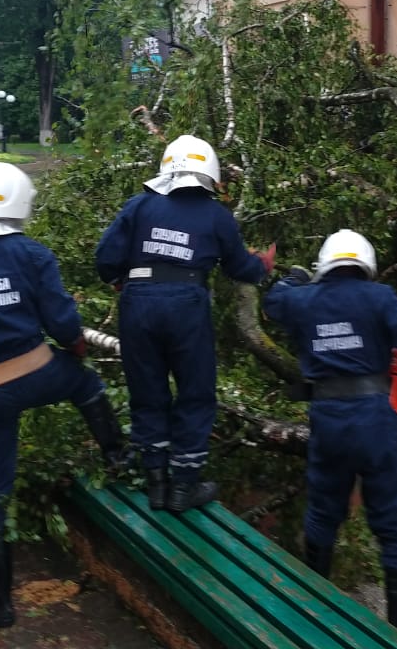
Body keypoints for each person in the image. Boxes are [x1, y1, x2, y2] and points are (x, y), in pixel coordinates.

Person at [0, 161, 126, 629]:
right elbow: (63, 325)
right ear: (19, 206)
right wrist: (70, 346)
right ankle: (118, 457)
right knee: (85, 382)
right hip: (39, 373)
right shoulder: (32, 254)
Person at [261, 229, 397, 649]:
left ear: (326, 265)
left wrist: (295, 278)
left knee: (323, 513)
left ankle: (313, 610)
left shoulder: (301, 300)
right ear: (366, 265)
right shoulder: (380, 298)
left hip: (328, 421)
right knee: (395, 525)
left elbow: (272, 301)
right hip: (376, 420)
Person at [95, 134, 275, 513]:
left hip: (138, 302)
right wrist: (264, 264)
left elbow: (106, 257)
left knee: (147, 391)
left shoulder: (139, 205)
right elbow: (241, 268)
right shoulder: (216, 216)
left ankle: (156, 484)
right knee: (194, 392)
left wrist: (119, 277)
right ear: (209, 174)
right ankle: (183, 487)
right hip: (186, 305)